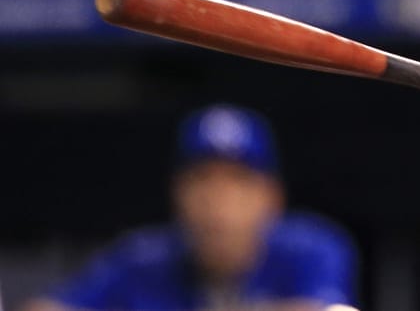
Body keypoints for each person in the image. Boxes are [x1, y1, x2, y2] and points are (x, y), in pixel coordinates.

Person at [22, 104, 358, 310]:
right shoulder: (142, 258)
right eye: (202, 179)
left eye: (238, 180)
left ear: (271, 197)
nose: (218, 198)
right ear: (178, 193)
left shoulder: (311, 247)